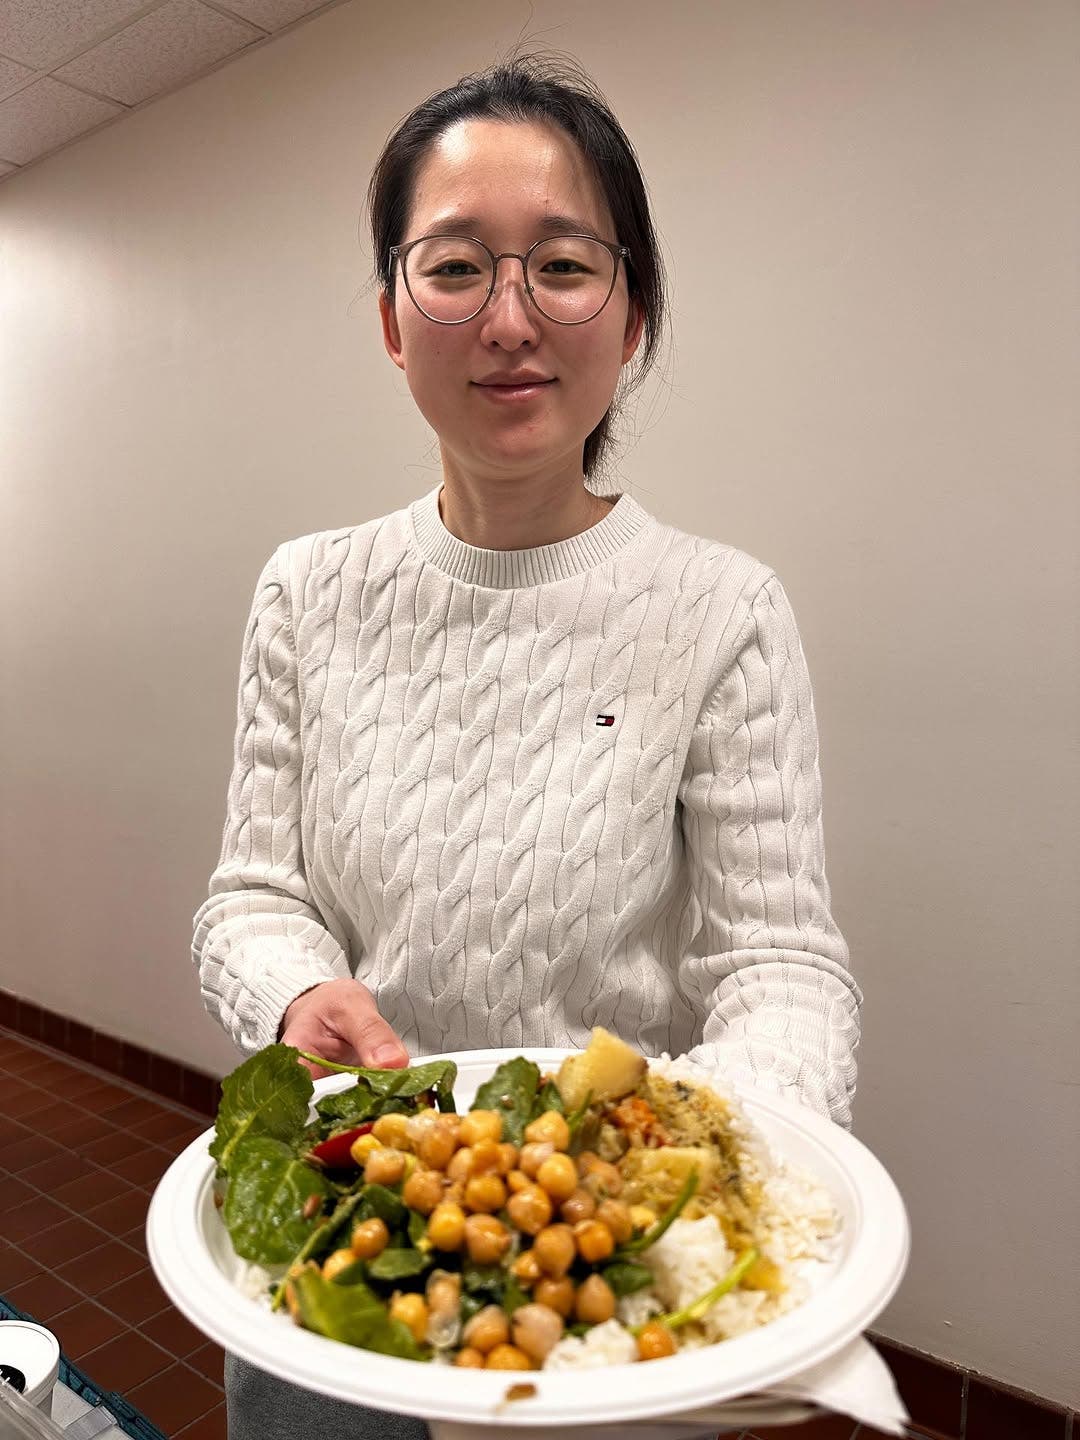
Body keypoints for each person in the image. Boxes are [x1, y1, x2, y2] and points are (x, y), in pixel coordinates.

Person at [192, 52, 861, 1440]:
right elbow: (253, 893)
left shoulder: (719, 609)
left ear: (632, 319)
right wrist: (293, 991)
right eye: (455, 269)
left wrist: (681, 1173)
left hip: (600, 1295)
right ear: (391, 316)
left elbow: (780, 966)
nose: (510, 319)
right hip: (350, 1229)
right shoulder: (305, 591)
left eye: (562, 267)